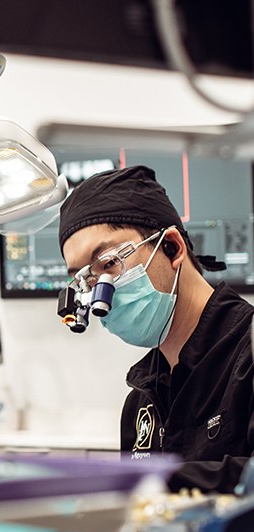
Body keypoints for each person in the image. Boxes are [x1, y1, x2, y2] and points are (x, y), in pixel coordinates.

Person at [58, 164, 254, 495]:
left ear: (172, 248)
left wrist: (152, 481)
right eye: (85, 279)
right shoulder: (141, 401)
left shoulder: (248, 353)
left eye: (108, 264)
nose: (97, 291)